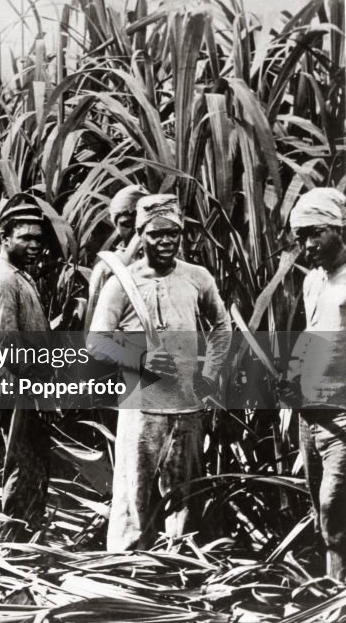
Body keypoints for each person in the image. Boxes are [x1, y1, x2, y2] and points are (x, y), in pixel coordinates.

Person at [87, 194, 231, 551]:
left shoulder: (197, 277)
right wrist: (139, 359)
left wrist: (209, 376)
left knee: (183, 499)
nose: (166, 241)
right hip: (141, 408)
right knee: (133, 498)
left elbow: (222, 327)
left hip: (187, 408)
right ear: (141, 234)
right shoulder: (123, 282)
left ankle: (179, 570)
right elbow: (96, 340)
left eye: (173, 233)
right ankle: (125, 577)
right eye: (156, 234)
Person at [283, 187, 346, 580]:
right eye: (300, 237)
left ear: (340, 227)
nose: (307, 246)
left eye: (314, 233)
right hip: (311, 417)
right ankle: (331, 598)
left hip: (341, 416)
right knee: (323, 516)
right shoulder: (314, 283)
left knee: (334, 507)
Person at [0, 202, 53, 538]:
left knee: (33, 466)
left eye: (38, 239)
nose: (34, 245)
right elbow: (7, 347)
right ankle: (15, 544)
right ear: (4, 239)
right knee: (22, 469)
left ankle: (29, 538)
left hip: (28, 386)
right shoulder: (3, 281)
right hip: (19, 387)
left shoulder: (20, 277)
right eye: (24, 238)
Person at [84, 184, 148, 329]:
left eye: (142, 224)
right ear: (116, 225)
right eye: (126, 224)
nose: (135, 232)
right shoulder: (107, 267)